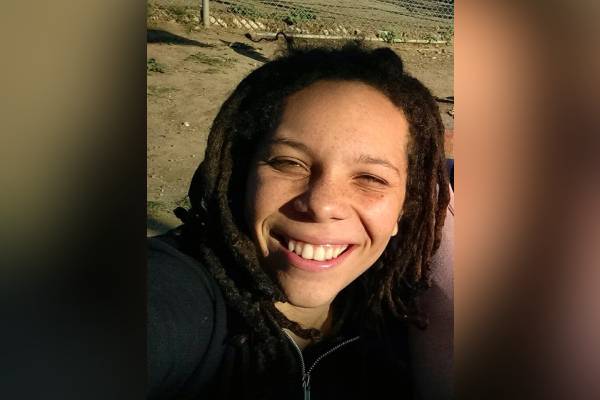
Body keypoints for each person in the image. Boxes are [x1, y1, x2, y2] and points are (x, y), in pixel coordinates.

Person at [148, 42, 453, 400]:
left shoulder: (400, 317)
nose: (322, 204)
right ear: (243, 176)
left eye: (370, 178)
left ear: (404, 208)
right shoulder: (180, 292)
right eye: (289, 163)